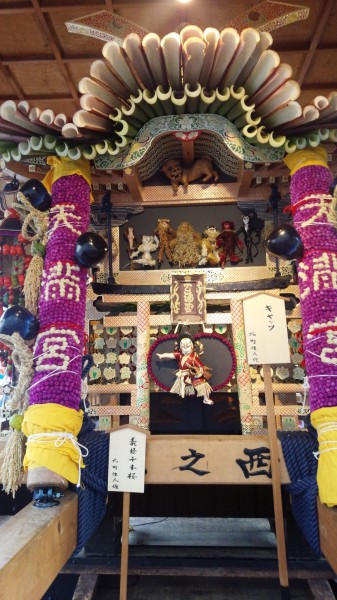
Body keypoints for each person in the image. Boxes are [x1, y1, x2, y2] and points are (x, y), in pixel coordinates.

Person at [157, 332, 213, 405]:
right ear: (180, 347)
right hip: (182, 376)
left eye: (188, 347)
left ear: (192, 346)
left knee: (203, 385)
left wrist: (198, 373)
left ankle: (205, 399)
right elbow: (171, 355)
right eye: (183, 347)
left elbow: (201, 367)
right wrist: (162, 355)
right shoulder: (180, 355)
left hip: (192, 375)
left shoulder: (194, 358)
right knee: (183, 390)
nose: (186, 349)